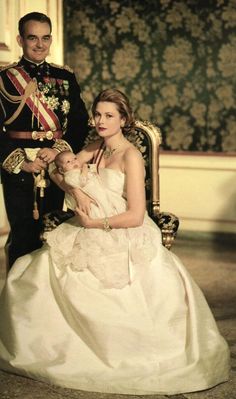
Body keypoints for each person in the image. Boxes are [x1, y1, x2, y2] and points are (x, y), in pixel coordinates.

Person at [0, 89, 230, 395]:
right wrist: (78, 192)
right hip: (86, 224)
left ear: (124, 119)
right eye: (97, 114)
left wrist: (96, 223)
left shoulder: (130, 156)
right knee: (32, 273)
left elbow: (136, 214)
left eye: (109, 116)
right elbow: (59, 168)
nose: (100, 121)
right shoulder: (94, 148)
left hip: (120, 230)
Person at [0, 12, 89, 268]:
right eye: (32, 38)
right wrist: (20, 162)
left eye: (45, 38)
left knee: (54, 232)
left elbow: (79, 122)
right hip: (19, 168)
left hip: (56, 165)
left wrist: (58, 150)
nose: (40, 44)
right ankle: (19, 300)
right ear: (20, 40)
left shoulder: (65, 77)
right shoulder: (5, 79)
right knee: (23, 235)